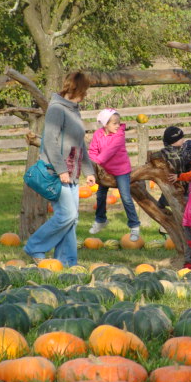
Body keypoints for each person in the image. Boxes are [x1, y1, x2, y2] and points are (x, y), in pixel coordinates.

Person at [24, 70, 95, 267]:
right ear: (77, 88)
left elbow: (79, 144)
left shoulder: (73, 109)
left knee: (72, 219)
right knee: (67, 215)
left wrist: (89, 172)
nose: (86, 94)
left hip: (71, 173)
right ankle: (35, 246)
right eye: (85, 89)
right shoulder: (57, 109)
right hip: (55, 173)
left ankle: (67, 261)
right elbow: (50, 141)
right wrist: (62, 169)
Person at [88, 109, 141, 240]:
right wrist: (92, 164)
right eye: (114, 123)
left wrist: (97, 161)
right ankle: (101, 220)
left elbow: (109, 152)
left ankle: (134, 226)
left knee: (125, 197)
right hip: (104, 170)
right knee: (100, 195)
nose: (118, 126)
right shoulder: (97, 134)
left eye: (118, 123)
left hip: (120, 170)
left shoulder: (119, 135)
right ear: (105, 124)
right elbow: (93, 150)